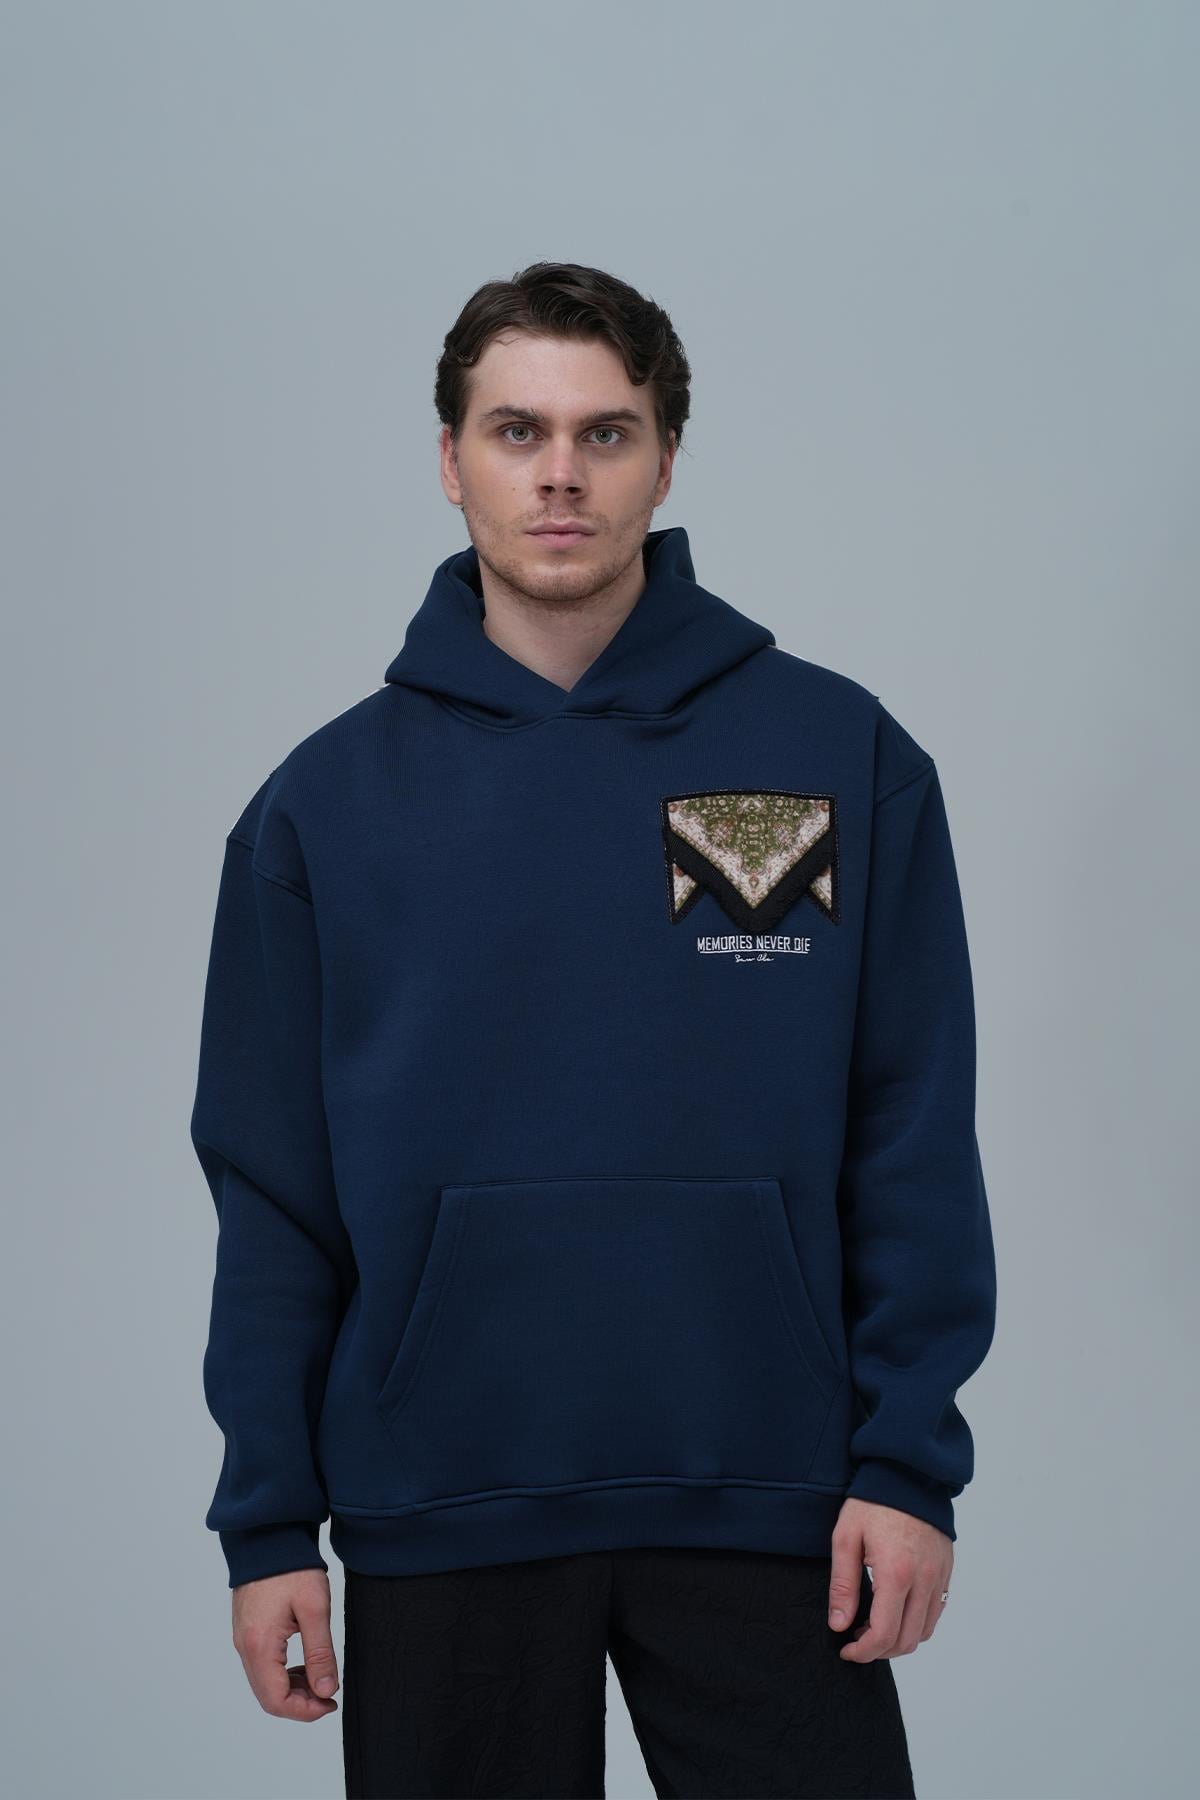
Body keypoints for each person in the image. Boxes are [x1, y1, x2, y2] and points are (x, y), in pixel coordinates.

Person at [189, 260, 997, 1799]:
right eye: (517, 431)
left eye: (605, 432)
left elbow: (910, 1128)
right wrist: (268, 1523)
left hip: (776, 1494)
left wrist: (909, 1465)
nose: (560, 473)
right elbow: (273, 1192)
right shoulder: (323, 807)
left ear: (666, 459)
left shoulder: (837, 752)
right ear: (451, 460)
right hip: (444, 1497)